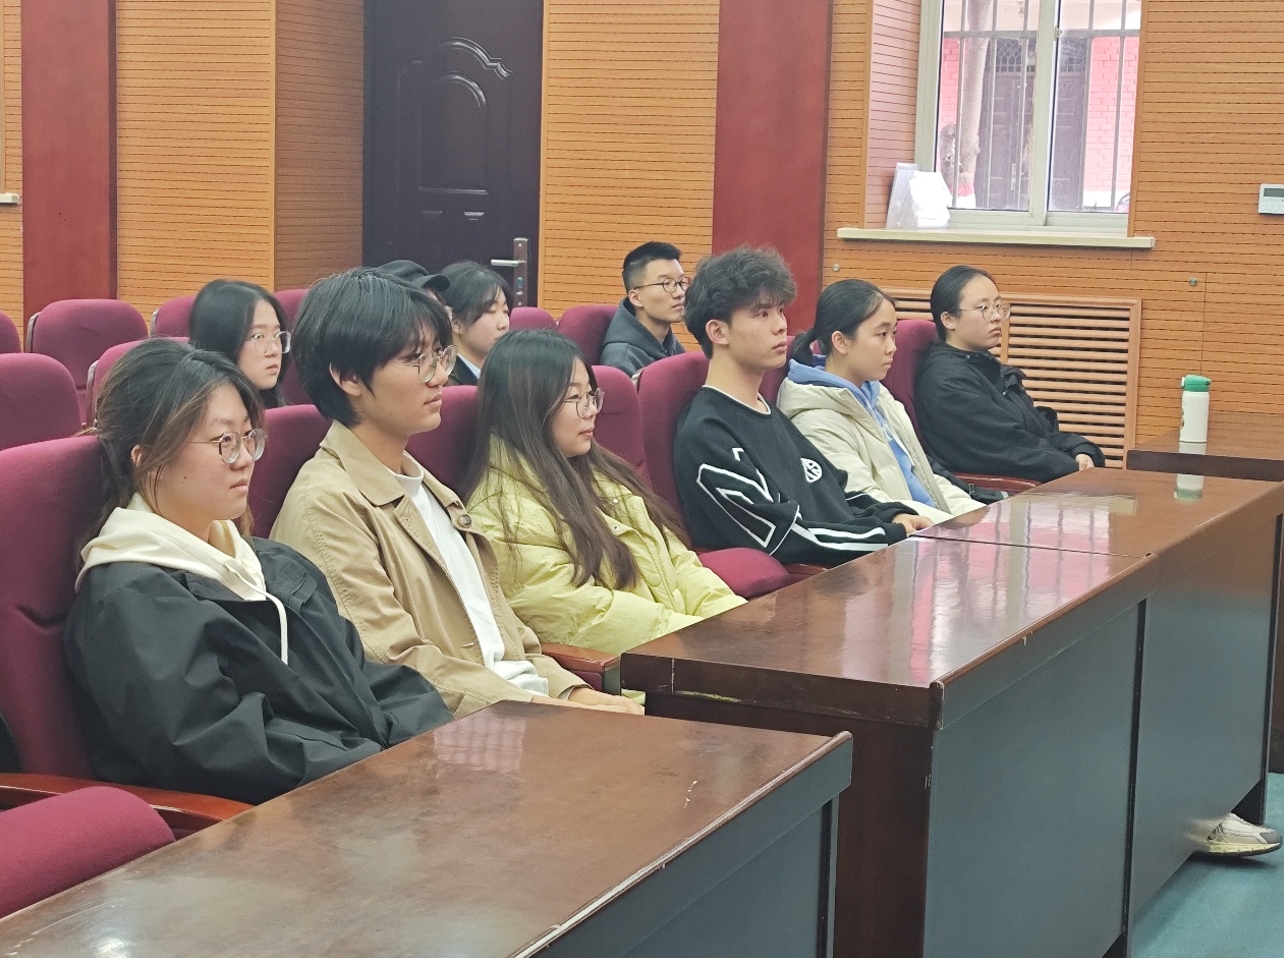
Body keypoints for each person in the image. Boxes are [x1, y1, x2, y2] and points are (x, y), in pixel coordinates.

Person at [63, 339, 453, 806]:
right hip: (277, 821)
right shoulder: (130, 600)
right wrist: (379, 770)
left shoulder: (268, 563)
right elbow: (221, 747)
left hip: (364, 787)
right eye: (224, 442)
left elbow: (365, 676)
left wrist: (429, 742)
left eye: (249, 438)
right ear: (145, 456)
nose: (246, 458)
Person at [272, 268, 641, 717]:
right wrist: (549, 710)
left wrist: (574, 694)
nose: (440, 376)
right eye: (416, 359)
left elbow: (509, 639)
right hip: (463, 730)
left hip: (519, 708)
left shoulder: (429, 487)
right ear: (348, 377)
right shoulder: (327, 505)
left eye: (439, 355)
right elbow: (395, 666)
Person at [463, 331, 744, 655]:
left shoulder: (601, 475)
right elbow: (590, 619)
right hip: (634, 674)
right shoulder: (503, 518)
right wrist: (707, 647)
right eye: (574, 398)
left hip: (682, 655)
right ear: (524, 407)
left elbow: (679, 564)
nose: (591, 410)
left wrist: (735, 627)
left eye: (591, 395)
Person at [674, 246, 931, 566]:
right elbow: (783, 537)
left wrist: (892, 514)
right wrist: (886, 534)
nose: (781, 325)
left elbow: (837, 493)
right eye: (762, 314)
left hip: (852, 571)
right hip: (806, 586)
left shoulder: (767, 411)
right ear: (718, 331)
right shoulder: (707, 433)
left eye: (780, 310)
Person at [777, 279, 985, 523]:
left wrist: (979, 515)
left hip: (931, 528)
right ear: (841, 341)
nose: (892, 347)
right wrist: (953, 527)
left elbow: (924, 479)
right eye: (882, 335)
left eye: (893, 334)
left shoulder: (877, 395)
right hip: (902, 537)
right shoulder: (814, 420)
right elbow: (871, 503)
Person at [914, 265, 1105, 481]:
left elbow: (1039, 431)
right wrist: (1073, 467)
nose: (997, 316)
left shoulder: (982, 363)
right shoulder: (947, 383)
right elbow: (1010, 451)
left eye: (998, 306)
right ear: (949, 319)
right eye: (984, 308)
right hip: (1000, 494)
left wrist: (1080, 451)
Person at [188, 279, 291, 408]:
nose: (274, 350)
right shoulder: (193, 416)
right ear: (223, 342)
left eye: (277, 335)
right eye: (258, 336)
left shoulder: (285, 414)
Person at [600, 241, 687, 377]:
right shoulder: (621, 361)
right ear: (636, 298)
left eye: (681, 282)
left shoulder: (671, 346)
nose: (680, 293)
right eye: (666, 283)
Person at [439, 261, 512, 386]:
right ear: (456, 322)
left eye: (506, 311)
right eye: (491, 311)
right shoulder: (445, 385)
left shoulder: (506, 372)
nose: (504, 324)